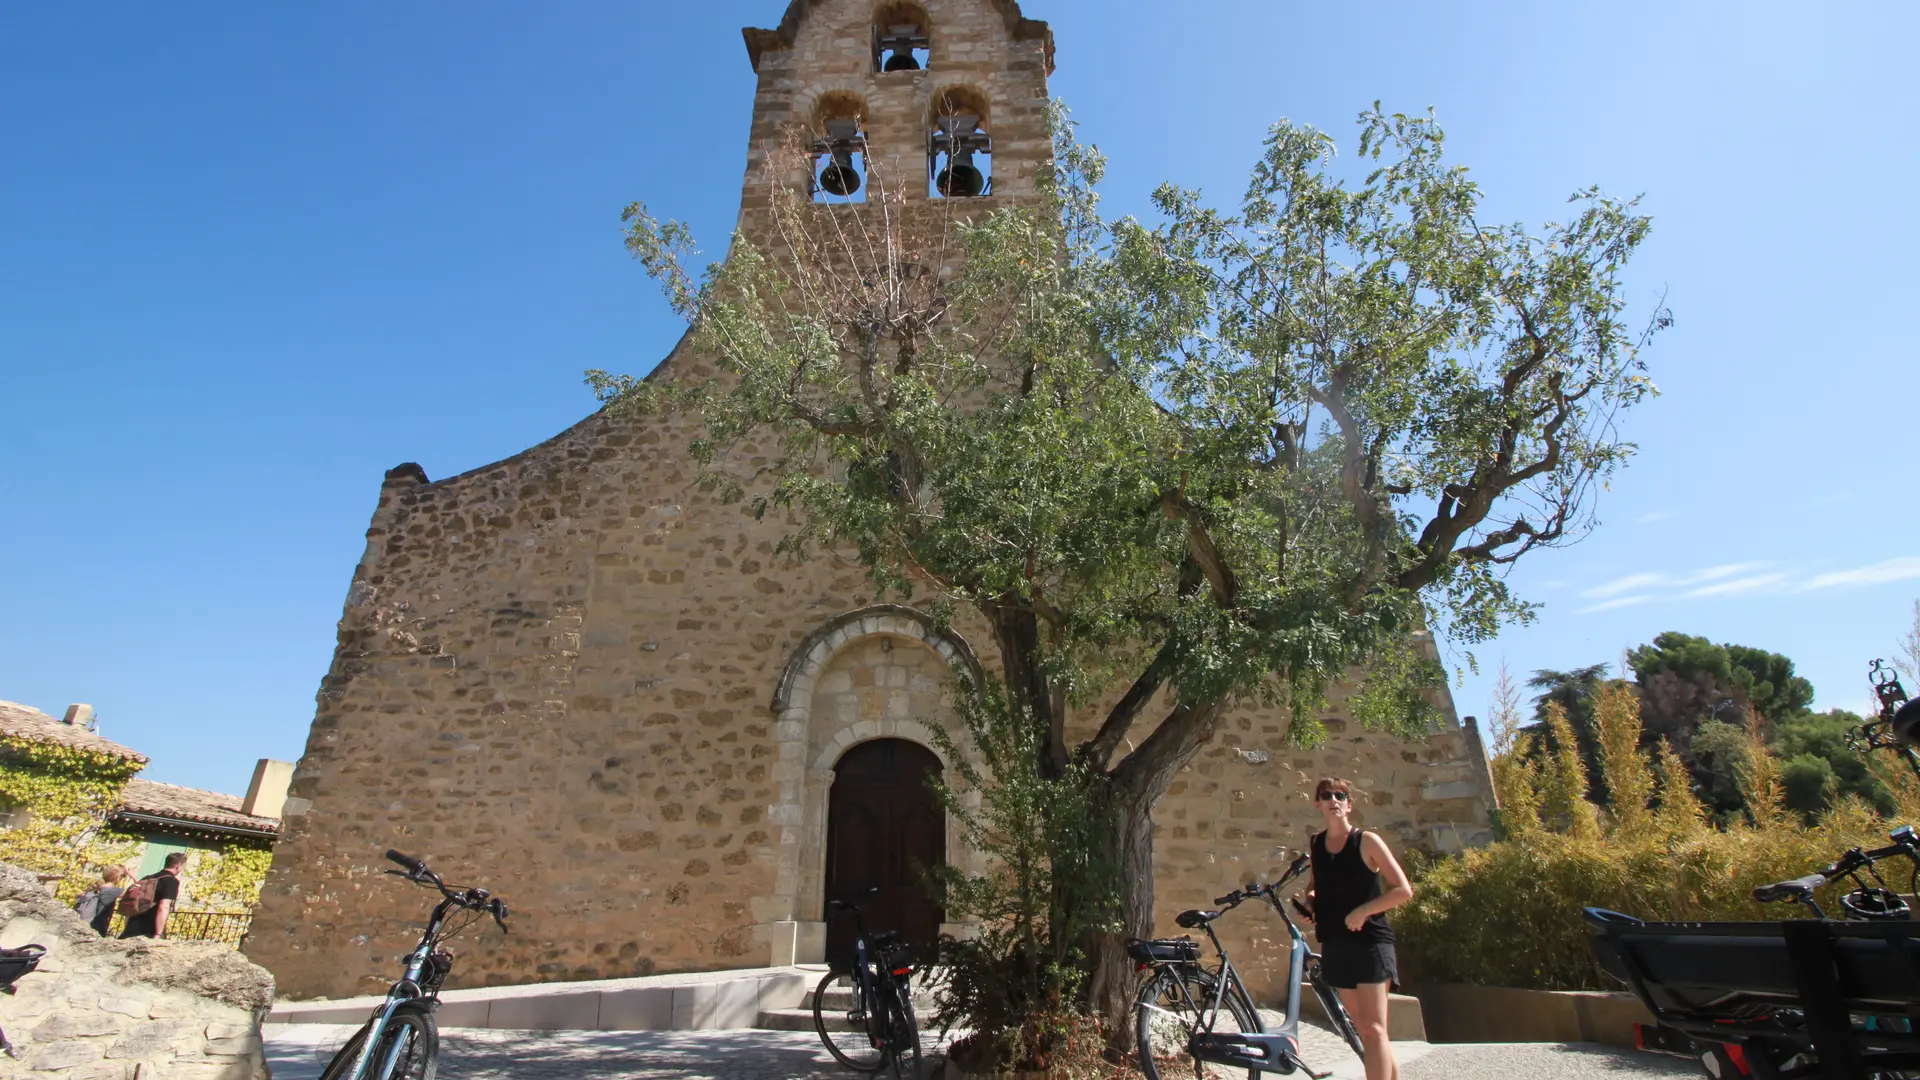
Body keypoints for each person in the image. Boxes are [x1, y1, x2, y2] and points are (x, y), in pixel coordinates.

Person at [1303, 777, 1414, 1080]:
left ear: (1349, 805)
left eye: (1340, 796)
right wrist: (1310, 904)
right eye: (1327, 796)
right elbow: (1316, 886)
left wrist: (1364, 911)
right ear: (1318, 804)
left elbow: (1403, 890)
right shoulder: (1316, 844)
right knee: (1366, 1031)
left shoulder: (1366, 841)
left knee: (1376, 1028)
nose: (1333, 800)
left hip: (1371, 943)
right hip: (1336, 943)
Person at [119, 852, 187, 939]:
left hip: (132, 927)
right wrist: (158, 934)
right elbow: (163, 906)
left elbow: (132, 902)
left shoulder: (147, 878)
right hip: (151, 929)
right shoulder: (171, 881)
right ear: (178, 866)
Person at [72, 866, 129, 936]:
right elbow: (137, 892)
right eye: (123, 877)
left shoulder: (98, 889)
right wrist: (132, 876)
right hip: (96, 929)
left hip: (86, 925)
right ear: (118, 878)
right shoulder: (112, 891)